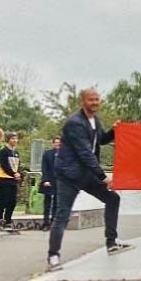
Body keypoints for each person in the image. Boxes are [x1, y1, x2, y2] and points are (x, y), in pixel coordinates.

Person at [47, 88, 130, 271]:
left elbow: (99, 140)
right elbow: (85, 152)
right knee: (62, 215)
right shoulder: (74, 123)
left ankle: (111, 242)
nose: (95, 102)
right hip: (69, 176)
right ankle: (53, 257)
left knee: (113, 199)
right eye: (91, 100)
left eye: (97, 99)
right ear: (82, 101)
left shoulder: (94, 120)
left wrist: (114, 131)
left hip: (86, 174)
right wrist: (103, 176)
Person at [0, 131, 22, 228]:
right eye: (13, 138)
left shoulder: (16, 152)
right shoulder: (3, 151)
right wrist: (14, 173)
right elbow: (4, 165)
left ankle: (7, 220)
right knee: (3, 201)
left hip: (13, 180)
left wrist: (18, 173)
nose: (15, 140)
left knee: (12, 201)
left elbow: (18, 165)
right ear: (8, 140)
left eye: (16, 138)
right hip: (4, 179)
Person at [39, 136, 61, 230]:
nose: (57, 144)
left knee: (57, 203)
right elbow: (44, 168)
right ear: (53, 143)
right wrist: (45, 180)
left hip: (59, 181)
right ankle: (46, 223)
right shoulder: (47, 154)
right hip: (49, 180)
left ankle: (53, 222)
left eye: (59, 143)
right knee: (47, 203)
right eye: (56, 142)